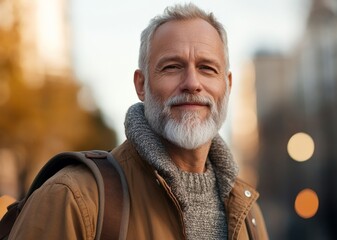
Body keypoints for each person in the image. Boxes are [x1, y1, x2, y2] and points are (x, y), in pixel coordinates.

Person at [8, 3, 268, 239]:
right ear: (141, 85)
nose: (192, 83)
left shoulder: (247, 212)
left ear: (228, 85)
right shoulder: (72, 199)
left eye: (207, 68)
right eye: (172, 67)